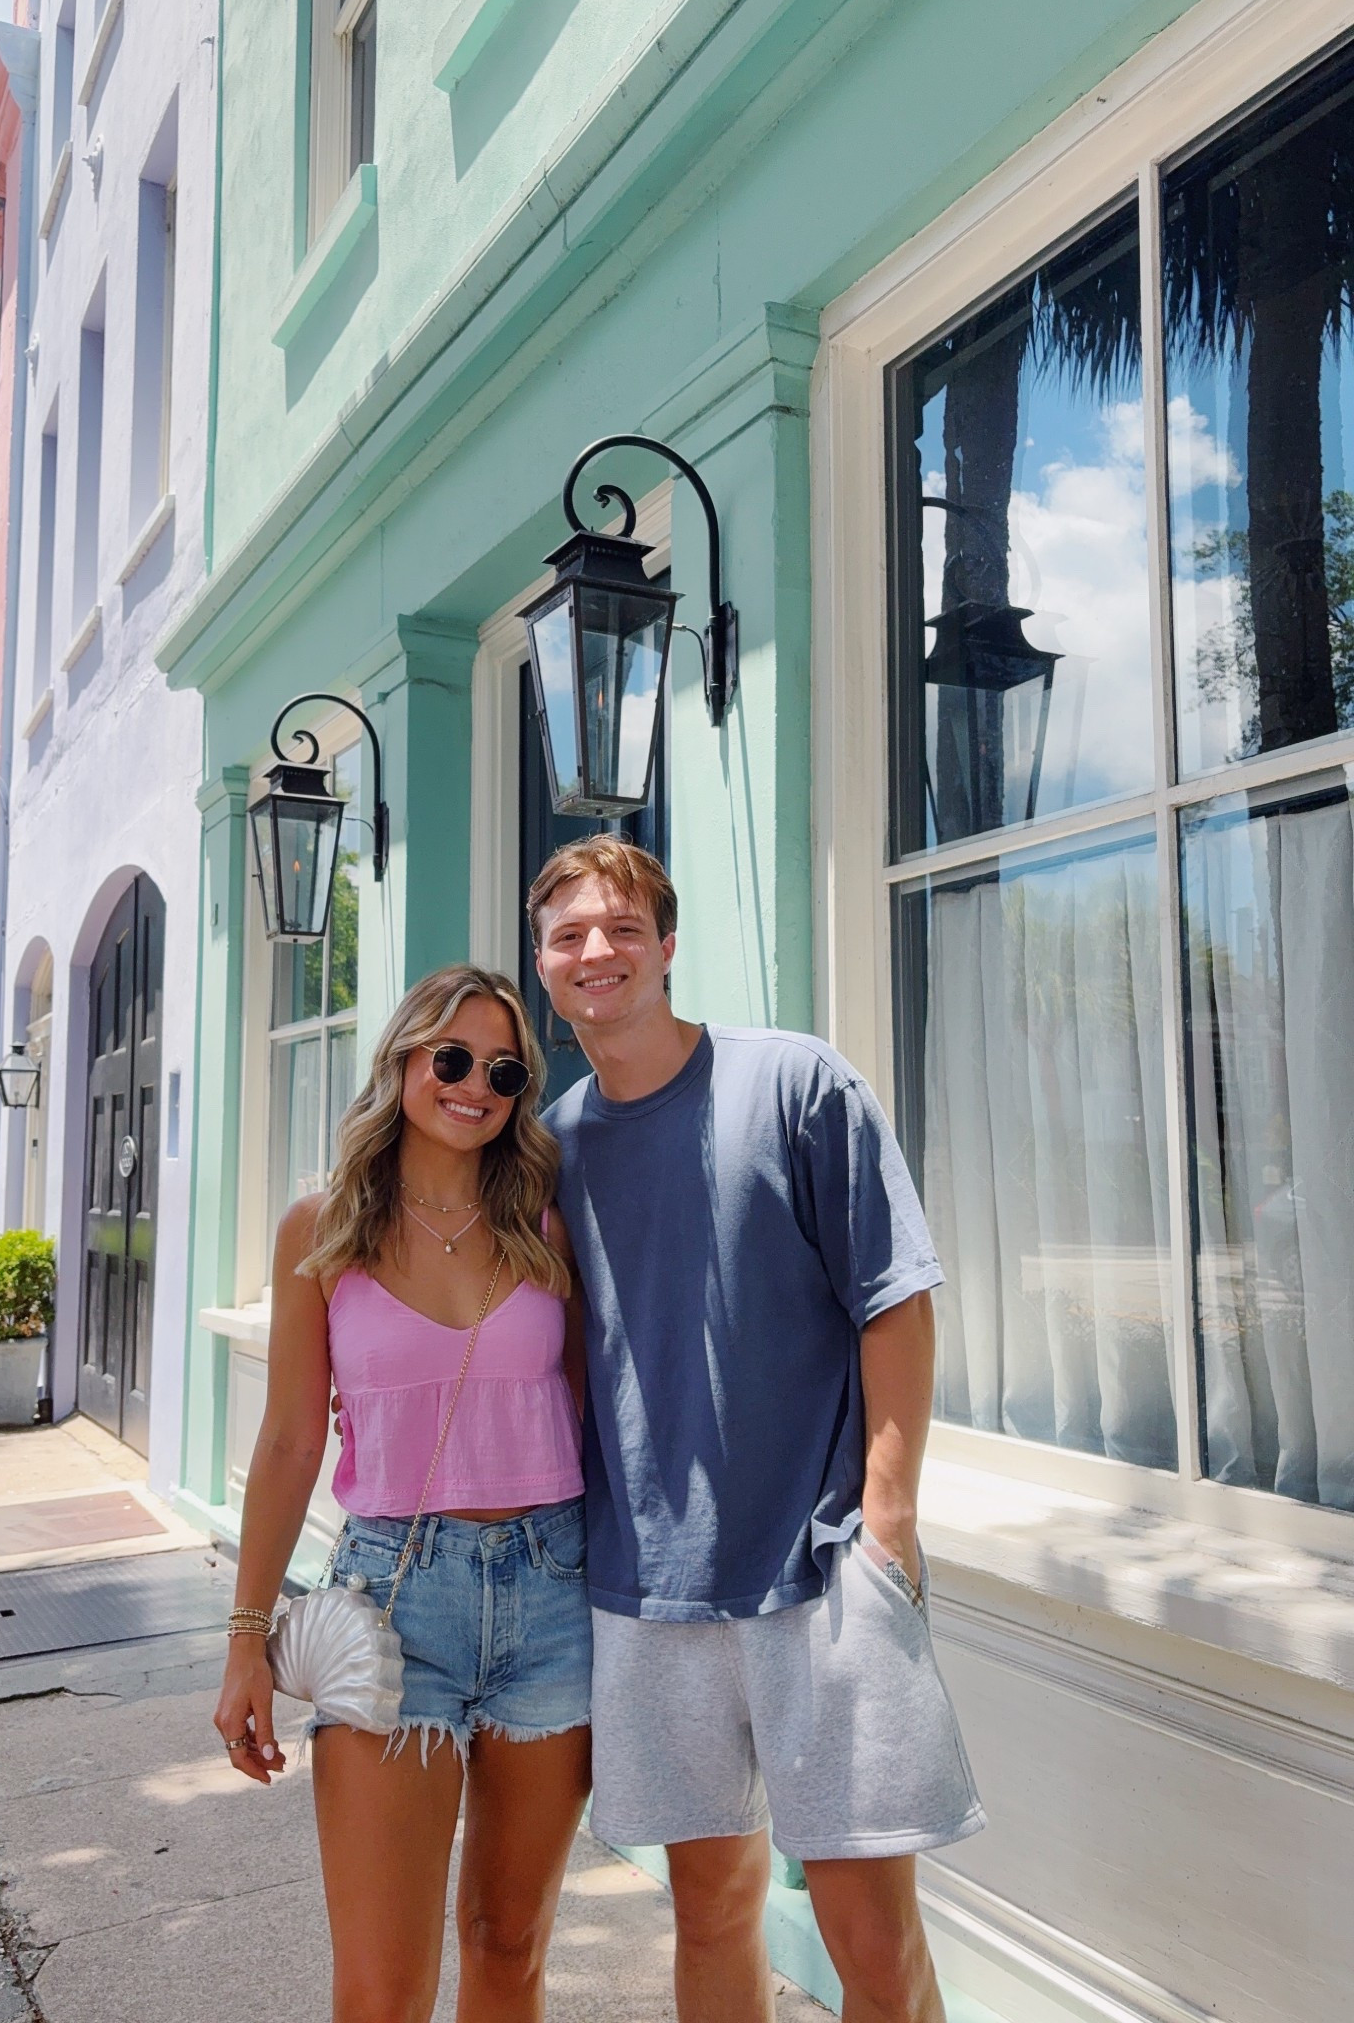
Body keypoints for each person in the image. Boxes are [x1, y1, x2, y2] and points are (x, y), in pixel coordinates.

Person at [528, 836, 984, 2023]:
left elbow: (895, 1292)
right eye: (570, 932)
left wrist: (888, 1516)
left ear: (667, 948)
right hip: (651, 1588)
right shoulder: (556, 1145)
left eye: (623, 928)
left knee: (870, 1935)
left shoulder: (796, 1081)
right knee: (712, 1907)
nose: (598, 950)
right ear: (543, 963)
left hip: (819, 1566)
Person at [214, 964, 592, 2023]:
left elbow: (583, 1418)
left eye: (505, 1069)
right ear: (403, 1061)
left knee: (509, 1946)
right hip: (394, 1601)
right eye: (454, 1057)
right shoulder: (322, 1228)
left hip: (553, 1595)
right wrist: (248, 1637)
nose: (477, 1084)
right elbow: (291, 1440)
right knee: (382, 1988)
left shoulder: (545, 1228)